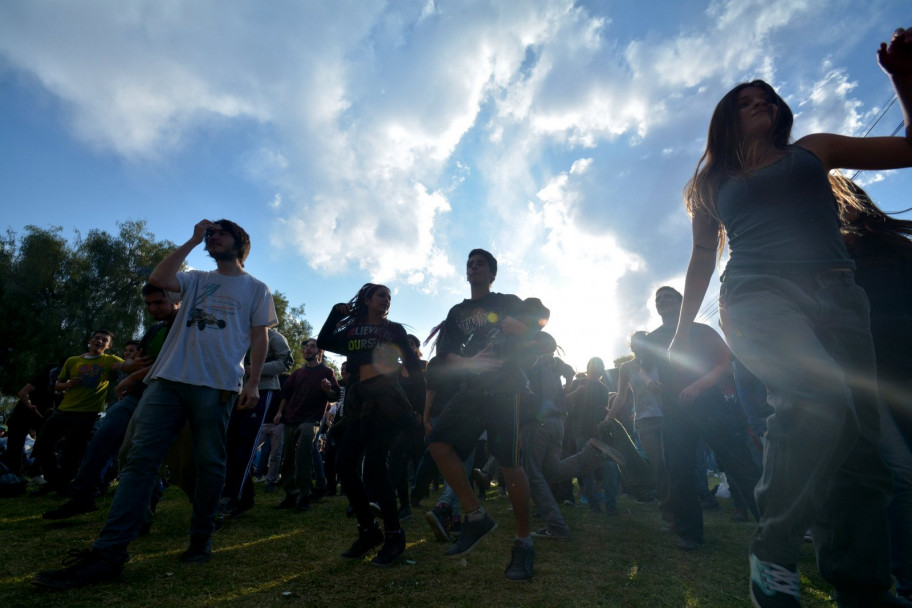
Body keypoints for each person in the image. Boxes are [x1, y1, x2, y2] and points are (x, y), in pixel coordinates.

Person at [670, 27, 912, 607]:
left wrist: (901, 77)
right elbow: (704, 254)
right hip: (756, 295)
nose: (759, 105)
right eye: (744, 101)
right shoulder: (712, 182)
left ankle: (862, 588)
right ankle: (773, 551)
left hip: (839, 299)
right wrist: (680, 335)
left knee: (864, 451)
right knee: (816, 397)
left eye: (766, 99)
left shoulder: (816, 150)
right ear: (726, 121)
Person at [34, 218, 277, 590]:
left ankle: (201, 538)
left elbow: (259, 338)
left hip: (216, 385)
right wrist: (194, 239)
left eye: (219, 233)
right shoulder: (194, 278)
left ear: (240, 242)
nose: (213, 237)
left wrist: (254, 383)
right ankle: (109, 553)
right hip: (167, 381)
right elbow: (161, 277)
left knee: (210, 463)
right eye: (210, 234)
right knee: (137, 459)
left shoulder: (256, 289)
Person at [427, 249, 550, 582]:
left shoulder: (507, 301)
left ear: (492, 273)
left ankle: (523, 544)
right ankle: (475, 516)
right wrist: (469, 363)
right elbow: (445, 356)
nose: (473, 267)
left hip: (505, 389)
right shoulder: (457, 312)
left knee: (510, 466)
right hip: (470, 390)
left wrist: (520, 326)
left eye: (480, 264)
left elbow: (542, 318)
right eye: (469, 264)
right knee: (437, 443)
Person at [42, 283, 180, 520]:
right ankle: (82, 497)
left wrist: (132, 373)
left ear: (177, 300)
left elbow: (165, 366)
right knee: (101, 439)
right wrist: (131, 370)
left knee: (147, 454)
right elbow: (135, 361)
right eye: (148, 304)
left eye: (159, 302)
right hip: (137, 395)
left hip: (168, 398)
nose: (152, 308)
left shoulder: (189, 330)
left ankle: (147, 509)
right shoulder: (154, 331)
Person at [317, 283, 423, 567]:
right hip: (359, 404)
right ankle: (368, 531)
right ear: (366, 299)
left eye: (389, 297)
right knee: (344, 464)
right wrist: (334, 314)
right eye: (381, 295)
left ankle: (394, 535)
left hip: (386, 403)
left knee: (375, 467)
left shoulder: (394, 330)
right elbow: (325, 340)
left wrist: (420, 408)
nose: (386, 300)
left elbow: (413, 366)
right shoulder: (351, 330)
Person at [30, 330, 123, 496]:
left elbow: (128, 367)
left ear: (109, 346)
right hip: (63, 410)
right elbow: (56, 385)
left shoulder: (110, 361)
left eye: (104, 340)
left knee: (71, 452)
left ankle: (63, 487)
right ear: (90, 341)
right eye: (97, 338)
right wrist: (66, 385)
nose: (100, 341)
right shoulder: (73, 361)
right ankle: (56, 482)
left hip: (87, 414)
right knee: (42, 446)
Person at [220, 327, 292, 518]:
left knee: (247, 444)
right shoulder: (238, 332)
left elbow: (286, 362)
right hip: (234, 390)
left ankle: (233, 498)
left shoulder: (274, 336)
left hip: (262, 390)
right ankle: (243, 496)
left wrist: (256, 369)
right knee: (230, 442)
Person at [272, 338, 338, 512]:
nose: (308, 349)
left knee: (303, 454)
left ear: (319, 352)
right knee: (288, 458)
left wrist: (326, 389)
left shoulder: (327, 372)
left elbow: (334, 396)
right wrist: (279, 412)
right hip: (291, 418)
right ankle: (291, 494)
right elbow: (285, 395)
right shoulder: (297, 374)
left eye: (312, 346)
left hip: (311, 420)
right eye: (306, 347)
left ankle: (304, 496)